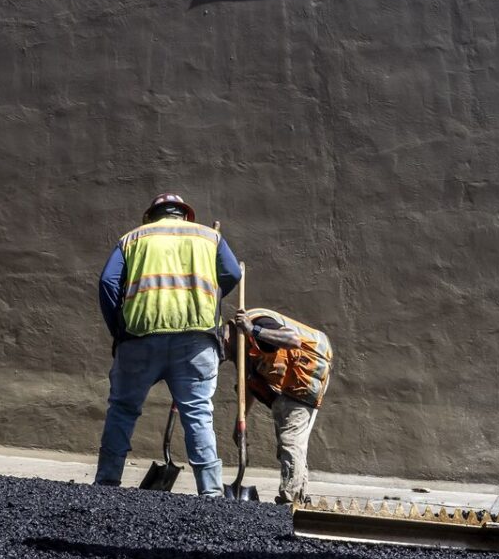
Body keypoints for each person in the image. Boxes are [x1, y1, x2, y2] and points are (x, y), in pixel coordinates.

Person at [95, 193, 241, 495]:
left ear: (151, 215)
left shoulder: (132, 239)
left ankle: (106, 483)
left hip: (139, 337)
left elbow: (108, 282)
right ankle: (211, 493)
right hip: (196, 340)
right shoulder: (208, 236)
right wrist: (207, 296)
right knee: (198, 413)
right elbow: (232, 273)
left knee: (122, 409)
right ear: (185, 215)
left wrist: (118, 329)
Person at [238, 308, 335, 504]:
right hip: (286, 387)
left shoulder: (257, 323)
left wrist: (252, 330)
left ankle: (291, 500)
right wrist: (239, 424)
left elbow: (293, 339)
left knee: (291, 441)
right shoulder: (241, 348)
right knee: (290, 444)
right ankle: (299, 498)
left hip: (305, 377)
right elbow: (248, 384)